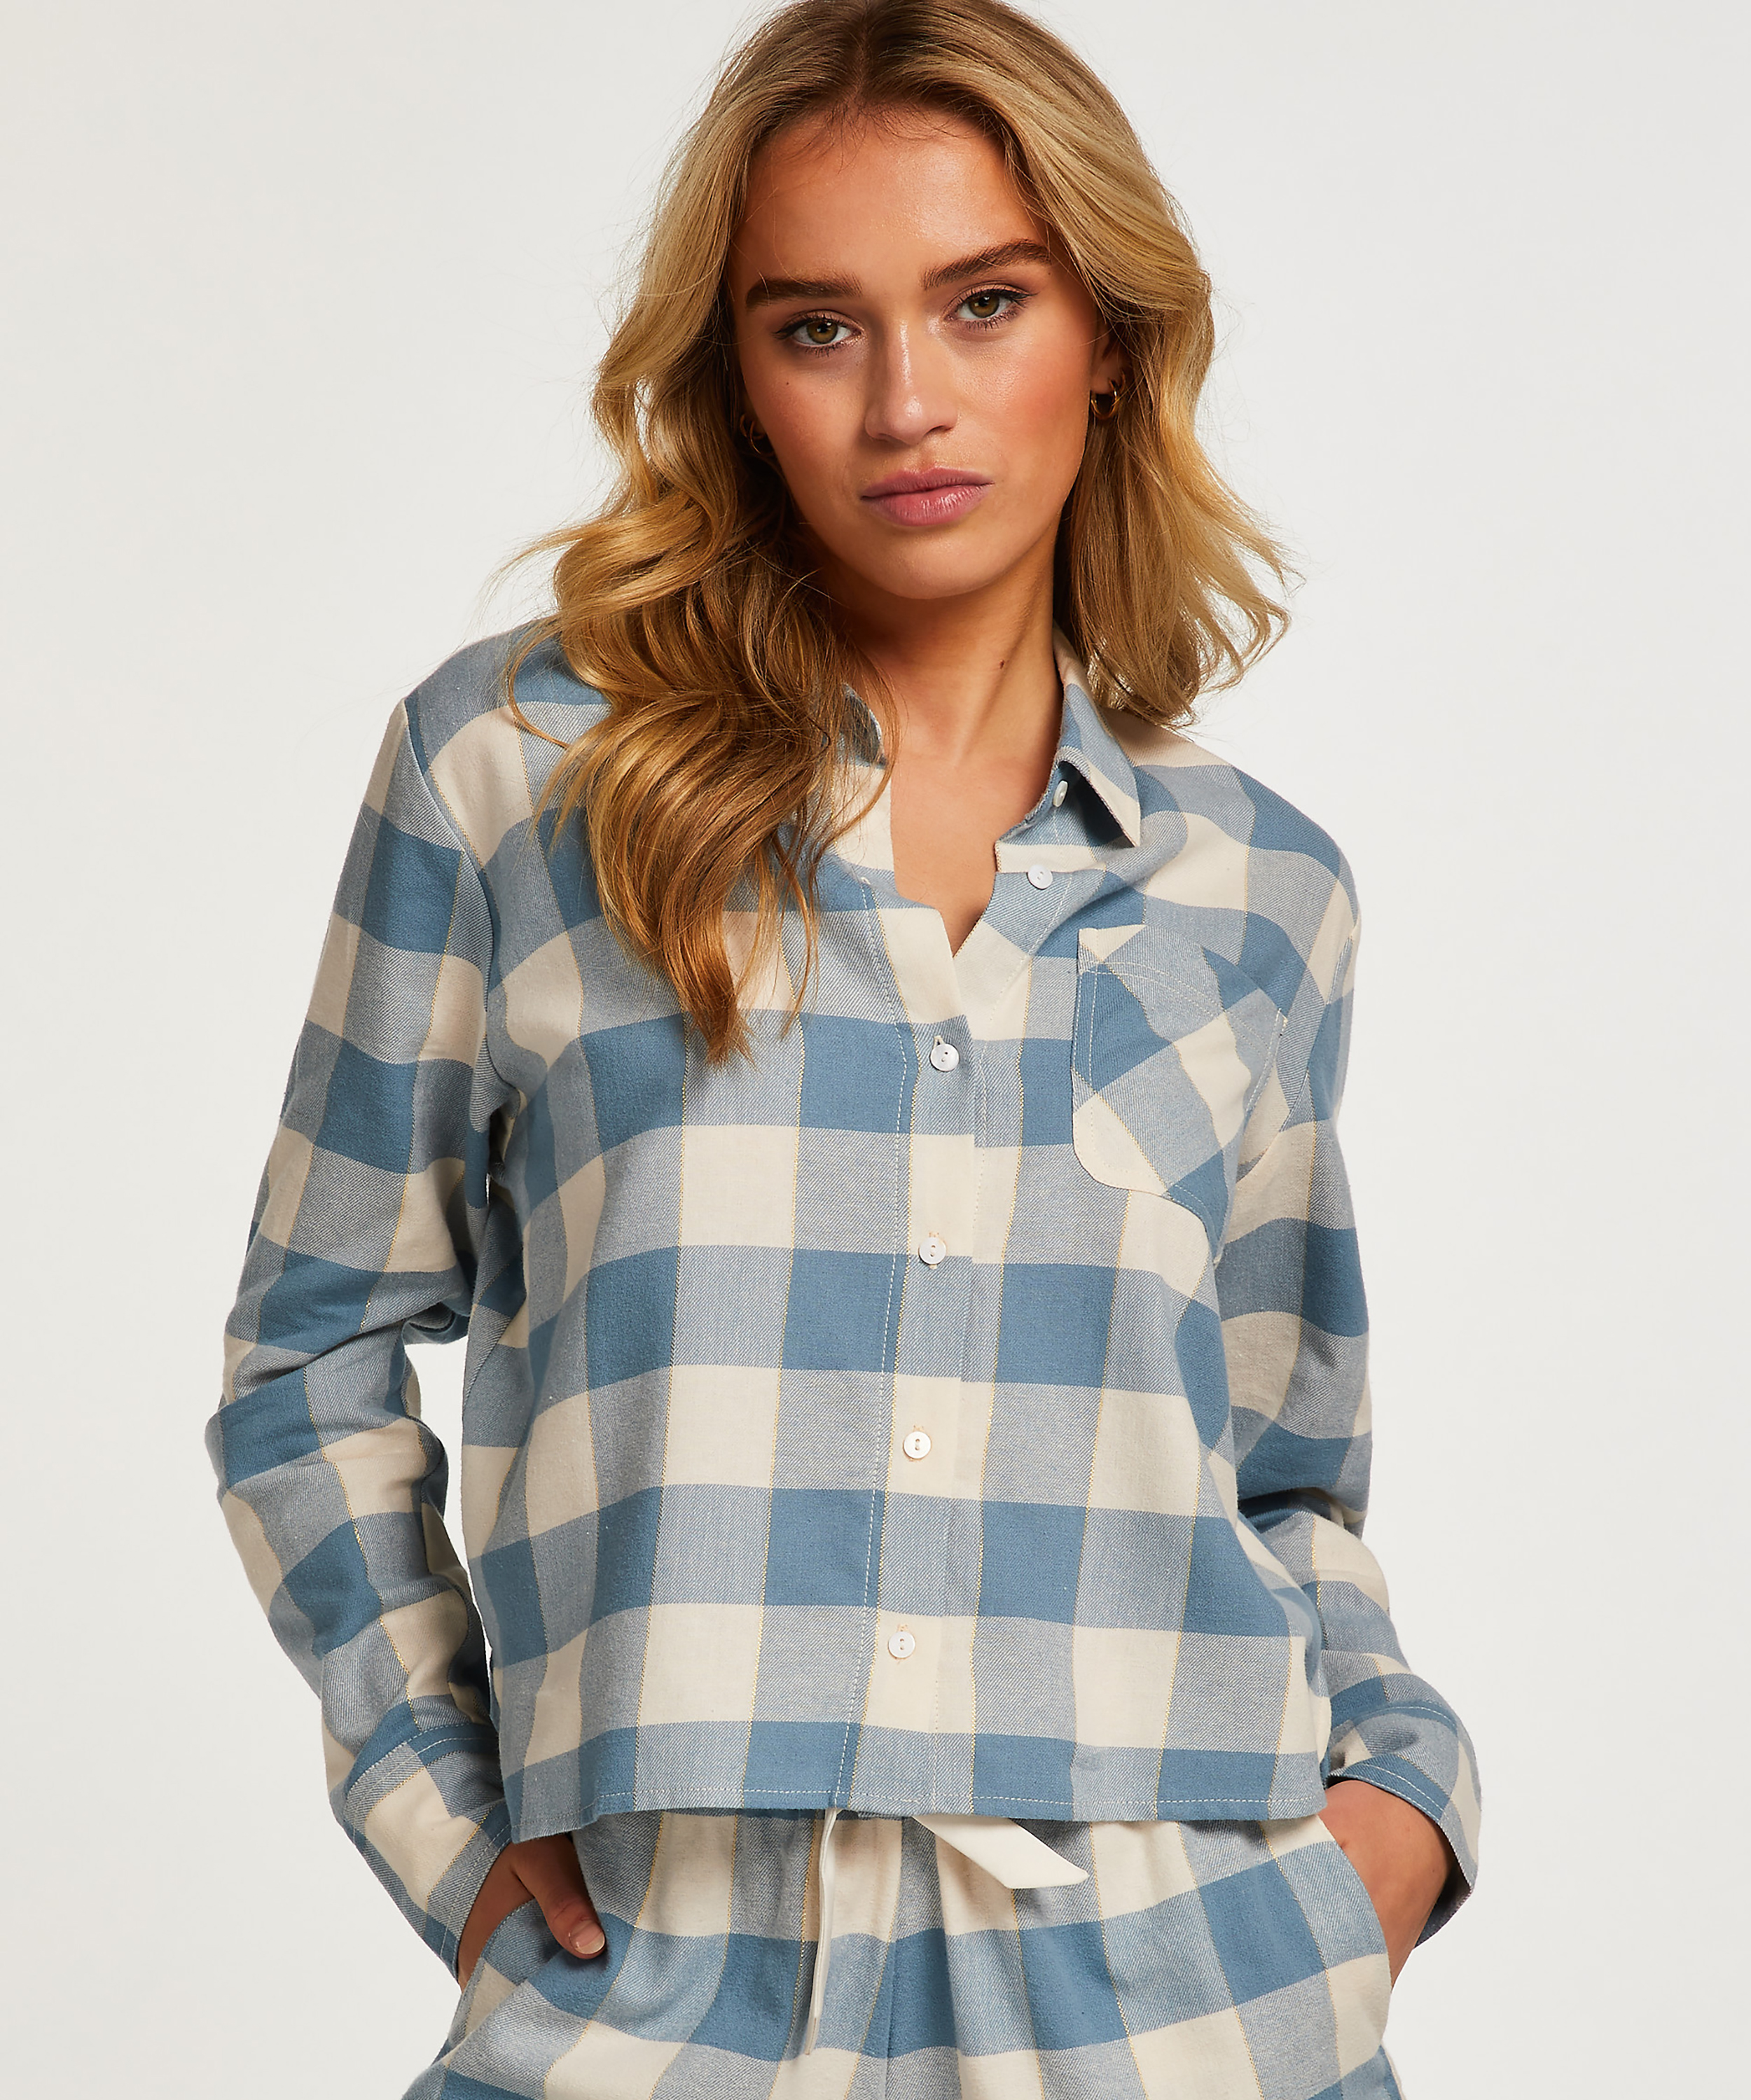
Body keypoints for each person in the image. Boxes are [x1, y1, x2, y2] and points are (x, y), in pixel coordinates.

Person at [207, 3, 1481, 2093]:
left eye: (983, 304)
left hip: (1187, 2006)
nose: (907, 401)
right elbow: (305, 1359)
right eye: (817, 327)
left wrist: (1396, 1822)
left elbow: (1280, 1476)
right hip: (662, 1995)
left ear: (1108, 338)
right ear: (738, 378)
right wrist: (447, 1820)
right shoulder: (516, 777)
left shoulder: (1261, 893)